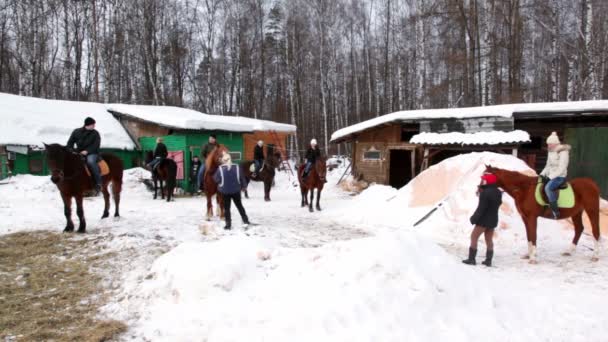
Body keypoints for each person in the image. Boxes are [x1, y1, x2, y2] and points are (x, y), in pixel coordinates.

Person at [462, 172, 503, 267]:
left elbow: (481, 208)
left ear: (488, 181)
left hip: (483, 220)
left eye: (484, 180)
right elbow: (499, 203)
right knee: (489, 239)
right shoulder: (498, 192)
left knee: (474, 237)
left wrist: (474, 218)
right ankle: (488, 261)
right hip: (493, 219)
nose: (483, 181)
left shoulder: (485, 193)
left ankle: (471, 259)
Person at [213, 152, 250, 230]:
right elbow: (242, 178)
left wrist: (222, 183)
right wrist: (244, 187)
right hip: (236, 190)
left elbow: (216, 179)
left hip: (225, 191)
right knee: (239, 206)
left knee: (227, 209)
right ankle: (245, 220)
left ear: (223, 160)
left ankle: (228, 224)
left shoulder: (220, 169)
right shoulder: (237, 167)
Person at [539, 132, 570, 219]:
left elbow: (562, 168)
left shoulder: (563, 152)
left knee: (548, 188)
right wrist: (541, 175)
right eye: (548, 144)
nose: (548, 146)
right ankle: (545, 205)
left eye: (550, 144)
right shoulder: (550, 152)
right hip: (551, 175)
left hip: (560, 176)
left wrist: (549, 177)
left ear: (556, 144)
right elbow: (548, 165)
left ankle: (555, 211)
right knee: (538, 185)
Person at [67, 117, 102, 194]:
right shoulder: (76, 132)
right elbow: (69, 143)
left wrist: (87, 151)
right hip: (79, 152)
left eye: (94, 124)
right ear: (87, 124)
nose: (94, 126)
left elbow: (96, 145)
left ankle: (98, 183)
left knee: (91, 162)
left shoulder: (95, 133)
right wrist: (72, 150)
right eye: (93, 124)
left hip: (93, 153)